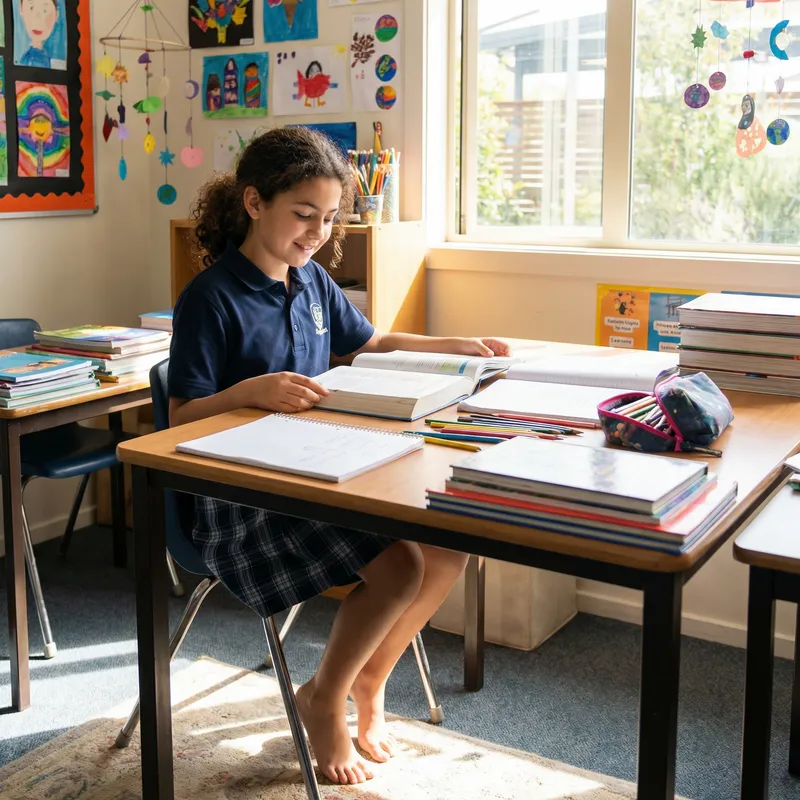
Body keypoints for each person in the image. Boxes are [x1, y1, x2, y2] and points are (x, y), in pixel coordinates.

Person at [168, 127, 510, 786]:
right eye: (303, 214)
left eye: (329, 219)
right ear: (254, 202)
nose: (317, 231)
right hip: (239, 501)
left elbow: (370, 343)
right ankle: (324, 697)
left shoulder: (312, 282)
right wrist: (250, 392)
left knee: (447, 544)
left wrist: (453, 344)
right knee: (399, 564)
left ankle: (365, 684)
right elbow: (181, 418)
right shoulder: (210, 299)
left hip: (315, 474)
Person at [18, 0, 59, 69]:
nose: (37, 19)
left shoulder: (55, 61)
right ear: (21, 10)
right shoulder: (26, 60)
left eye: (44, 11)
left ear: (56, 15)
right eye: (31, 8)